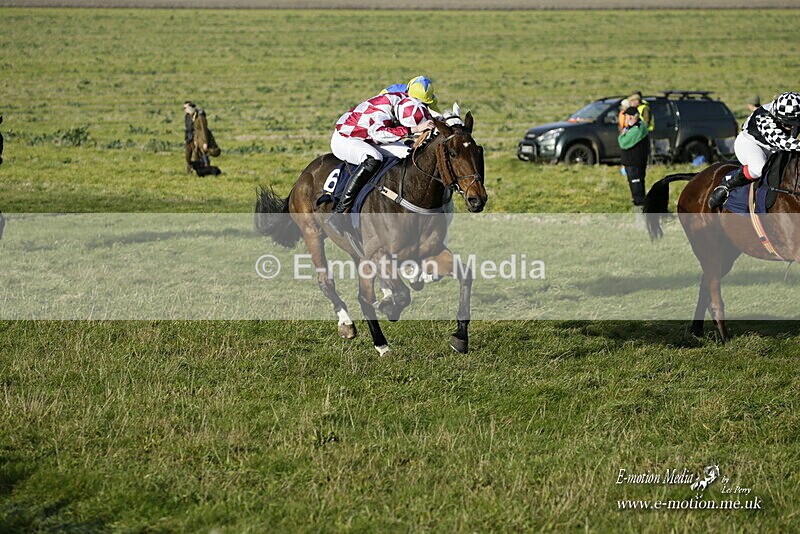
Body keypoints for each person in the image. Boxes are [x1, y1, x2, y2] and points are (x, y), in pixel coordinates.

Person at [327, 91, 435, 236]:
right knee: (374, 158)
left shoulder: (405, 100)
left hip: (368, 134)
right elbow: (379, 134)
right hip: (346, 138)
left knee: (408, 154)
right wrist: (412, 130)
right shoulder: (380, 114)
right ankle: (339, 213)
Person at [709, 91, 800, 209]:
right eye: (788, 124)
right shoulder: (764, 118)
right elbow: (783, 141)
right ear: (778, 116)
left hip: (773, 148)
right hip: (750, 144)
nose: (792, 127)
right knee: (758, 169)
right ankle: (726, 185)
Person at [618, 106, 650, 207]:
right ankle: (640, 205)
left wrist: (622, 135)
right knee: (635, 186)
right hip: (631, 162)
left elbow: (623, 143)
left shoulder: (638, 129)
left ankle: (640, 207)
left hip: (635, 163)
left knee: (637, 187)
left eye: (627, 116)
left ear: (633, 117)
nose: (626, 119)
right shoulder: (632, 128)